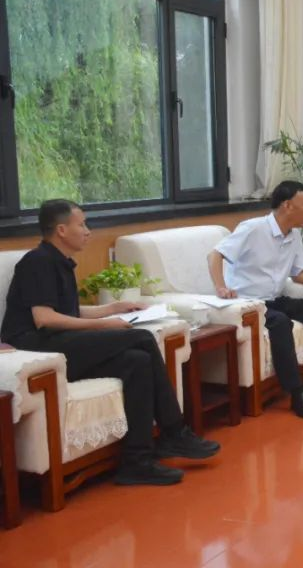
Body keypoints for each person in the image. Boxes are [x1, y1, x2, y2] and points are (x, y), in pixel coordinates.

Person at [1, 200, 220, 486]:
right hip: (36, 348)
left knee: (137, 362)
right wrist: (105, 324)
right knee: (141, 337)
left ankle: (137, 461)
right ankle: (174, 431)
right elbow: (44, 318)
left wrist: (113, 309)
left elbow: (69, 312)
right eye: (82, 224)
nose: (88, 231)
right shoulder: (37, 262)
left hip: (58, 341)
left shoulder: (60, 261)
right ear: (61, 230)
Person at [208, 181, 303, 420]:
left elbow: (297, 273)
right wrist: (220, 287)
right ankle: (297, 393)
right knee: (280, 323)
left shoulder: (294, 235)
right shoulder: (252, 229)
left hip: (274, 299)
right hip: (250, 304)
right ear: (288, 205)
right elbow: (215, 255)